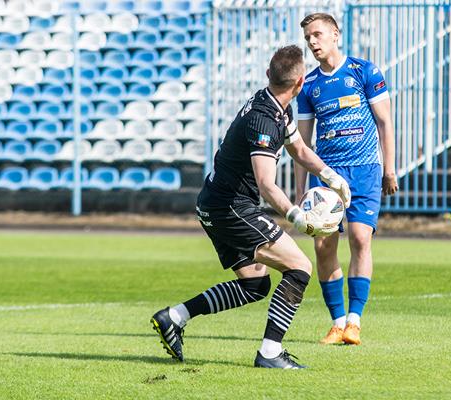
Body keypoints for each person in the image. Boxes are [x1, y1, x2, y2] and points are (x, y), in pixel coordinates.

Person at [150, 45, 351, 369]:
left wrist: (330, 175)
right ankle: (270, 352)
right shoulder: (264, 120)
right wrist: (296, 216)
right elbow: (266, 184)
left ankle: (174, 317)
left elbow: (299, 149)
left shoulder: (276, 106)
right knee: (300, 267)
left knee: (254, 285)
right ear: (300, 82)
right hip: (230, 207)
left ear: (269, 75)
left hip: (216, 204)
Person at [295, 13, 399, 346]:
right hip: (327, 175)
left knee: (360, 238)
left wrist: (389, 169)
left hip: (365, 170)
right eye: (308, 38)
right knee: (323, 245)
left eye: (317, 34)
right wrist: (300, 191)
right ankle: (337, 323)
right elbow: (301, 144)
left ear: (335, 34)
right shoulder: (308, 86)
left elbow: (385, 122)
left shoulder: (364, 71)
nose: (313, 42)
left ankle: (354, 321)